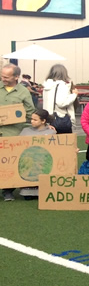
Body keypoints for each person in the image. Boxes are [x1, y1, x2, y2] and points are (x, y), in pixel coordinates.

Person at [1, 64, 36, 201]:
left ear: (16, 77)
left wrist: (41, 125)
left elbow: (30, 112)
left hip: (13, 133)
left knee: (10, 162)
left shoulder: (23, 92)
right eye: (2, 76)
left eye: (6, 77)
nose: (3, 79)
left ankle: (8, 190)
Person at [18, 109, 56, 199]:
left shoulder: (51, 132)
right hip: (28, 163)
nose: (32, 121)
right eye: (31, 119)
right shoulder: (25, 131)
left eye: (35, 120)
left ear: (43, 121)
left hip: (42, 163)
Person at [41, 64, 77, 134]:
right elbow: (61, 103)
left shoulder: (46, 86)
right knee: (65, 140)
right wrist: (74, 95)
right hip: (61, 119)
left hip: (49, 119)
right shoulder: (62, 86)